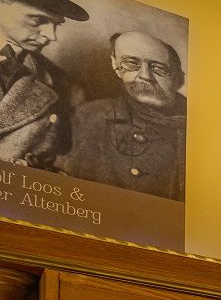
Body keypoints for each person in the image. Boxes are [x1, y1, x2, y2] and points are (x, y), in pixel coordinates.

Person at [61, 29, 185, 199]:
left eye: (158, 68)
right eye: (131, 64)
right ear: (117, 68)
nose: (145, 76)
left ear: (179, 79)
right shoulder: (87, 117)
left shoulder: (202, 133)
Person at [0, 0, 85, 169]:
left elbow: (67, 164)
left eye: (56, 24)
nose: (52, 36)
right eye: (38, 20)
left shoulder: (65, 87)